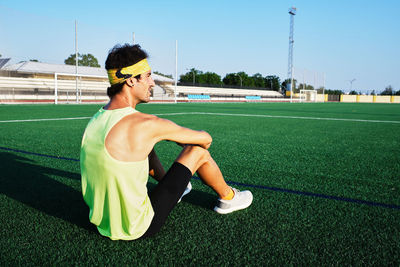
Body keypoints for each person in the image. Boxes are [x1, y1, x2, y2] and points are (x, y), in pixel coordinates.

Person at [80, 44, 253, 240]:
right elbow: (206, 139)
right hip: (138, 227)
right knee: (197, 152)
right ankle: (229, 198)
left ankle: (177, 190)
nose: (152, 83)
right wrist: (180, 139)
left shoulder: (95, 120)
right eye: (147, 76)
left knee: (146, 148)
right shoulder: (147, 124)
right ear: (130, 81)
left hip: (101, 222)